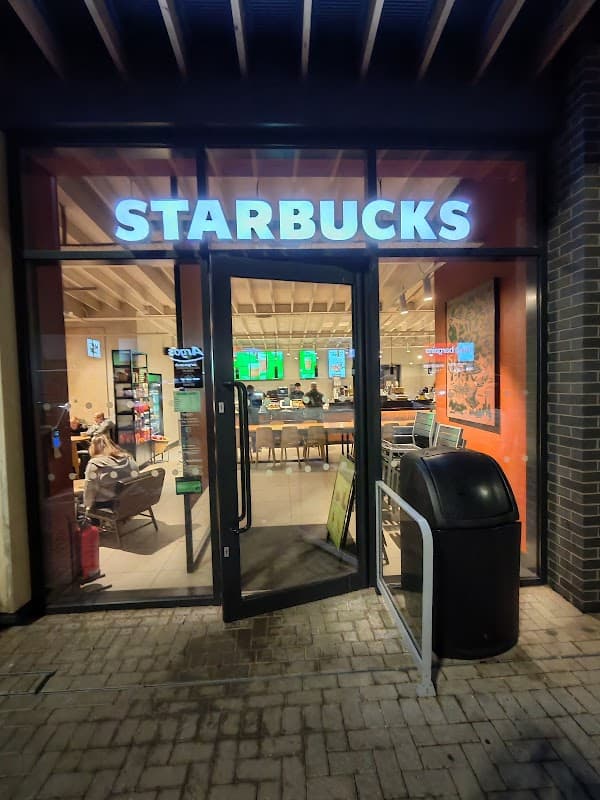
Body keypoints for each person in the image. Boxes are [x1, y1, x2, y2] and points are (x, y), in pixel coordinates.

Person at [83, 434, 138, 514]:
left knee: (78, 499)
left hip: (107, 504)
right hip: (127, 501)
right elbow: (136, 475)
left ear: (93, 448)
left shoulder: (95, 463)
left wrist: (87, 508)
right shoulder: (128, 458)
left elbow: (89, 489)